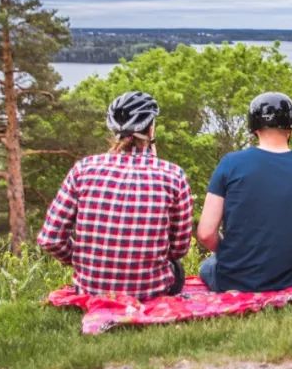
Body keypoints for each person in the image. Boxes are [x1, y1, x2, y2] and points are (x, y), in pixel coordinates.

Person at [37, 90, 193, 299]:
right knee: (177, 270)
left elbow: (50, 239)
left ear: (113, 129)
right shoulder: (173, 175)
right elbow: (179, 248)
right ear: (151, 128)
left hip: (91, 289)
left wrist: (81, 258)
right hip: (150, 291)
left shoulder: (84, 169)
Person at [196, 92, 292, 292]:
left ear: (254, 127)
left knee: (207, 266)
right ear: (291, 127)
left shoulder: (230, 164)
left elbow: (205, 234)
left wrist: (231, 254)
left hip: (235, 278)